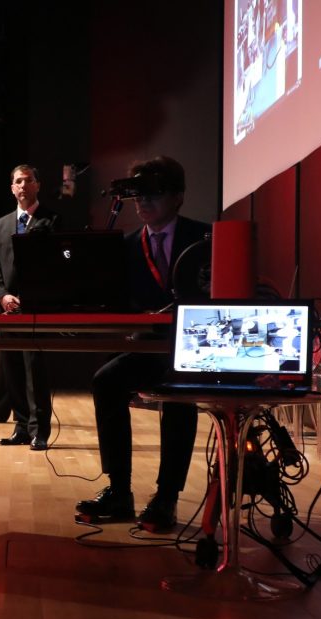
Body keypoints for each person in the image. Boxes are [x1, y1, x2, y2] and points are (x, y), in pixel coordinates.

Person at [76, 155, 212, 531]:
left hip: (194, 352)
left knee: (179, 393)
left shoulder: (206, 239)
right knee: (106, 381)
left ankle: (166, 497)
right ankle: (119, 491)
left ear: (178, 197)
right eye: (138, 193)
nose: (143, 201)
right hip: (148, 349)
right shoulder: (126, 246)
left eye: (153, 192)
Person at [0, 164, 58, 449]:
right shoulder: (1, 224)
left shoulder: (52, 220)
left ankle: (40, 431)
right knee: (12, 372)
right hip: (7, 310)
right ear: (12, 188)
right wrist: (2, 296)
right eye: (18, 181)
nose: (23, 185)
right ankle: (22, 427)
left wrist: (30, 295)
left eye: (28, 180)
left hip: (35, 309)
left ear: (38, 185)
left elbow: (57, 264)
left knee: (34, 372)